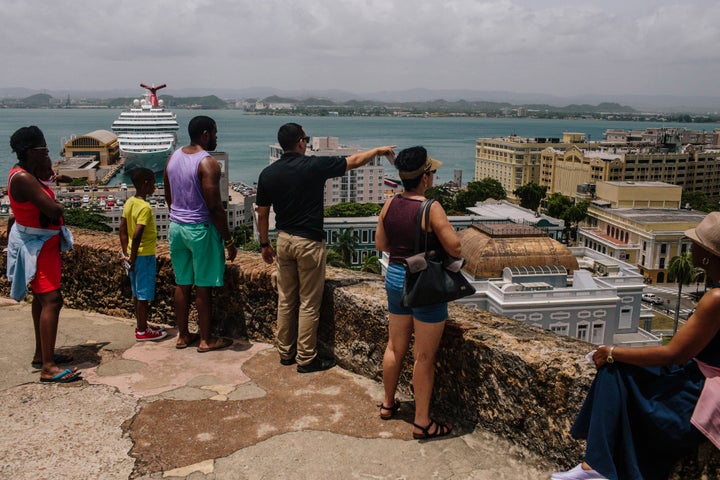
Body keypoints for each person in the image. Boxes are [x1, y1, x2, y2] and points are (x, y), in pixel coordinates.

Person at [552, 212, 720, 480]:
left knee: (612, 367)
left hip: (696, 391)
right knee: (618, 370)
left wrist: (612, 352)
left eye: (696, 243)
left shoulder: (716, 299)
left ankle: (594, 467)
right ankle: (594, 466)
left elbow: (673, 353)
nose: (691, 248)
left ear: (709, 255)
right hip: (697, 379)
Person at [257, 122, 396, 373]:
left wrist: (264, 243)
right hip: (308, 242)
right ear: (300, 142)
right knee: (309, 303)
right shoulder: (313, 166)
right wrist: (377, 151)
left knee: (286, 299)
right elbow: (352, 161)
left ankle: (285, 352)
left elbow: (263, 214)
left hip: (284, 240)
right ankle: (306, 359)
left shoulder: (268, 174)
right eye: (306, 139)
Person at [375, 146, 460, 439]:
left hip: (396, 276)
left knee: (394, 347)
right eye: (432, 172)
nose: (434, 176)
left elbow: (381, 245)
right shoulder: (430, 207)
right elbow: (455, 247)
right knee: (423, 356)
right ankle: (422, 422)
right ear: (425, 178)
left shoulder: (390, 204)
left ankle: (388, 404)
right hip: (423, 283)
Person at [6, 126, 80, 383]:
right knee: (52, 301)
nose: (48, 154)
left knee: (41, 299)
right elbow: (52, 208)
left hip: (43, 246)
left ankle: (42, 354)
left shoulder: (27, 175)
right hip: (36, 247)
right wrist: (58, 204)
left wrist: (48, 173)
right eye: (44, 150)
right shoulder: (24, 179)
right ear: (30, 152)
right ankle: (48, 367)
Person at [164, 115, 237, 352]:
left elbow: (168, 196)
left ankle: (183, 335)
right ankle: (206, 340)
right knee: (203, 285)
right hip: (200, 229)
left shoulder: (172, 158)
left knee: (182, 282)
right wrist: (229, 240)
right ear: (205, 134)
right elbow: (215, 207)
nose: (216, 137)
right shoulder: (207, 163)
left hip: (176, 227)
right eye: (215, 133)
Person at [119, 167, 167, 342]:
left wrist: (127, 253)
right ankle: (142, 330)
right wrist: (132, 256)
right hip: (144, 256)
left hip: (133, 255)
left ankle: (142, 324)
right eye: (154, 183)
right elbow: (138, 233)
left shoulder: (130, 202)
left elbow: (123, 230)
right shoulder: (145, 208)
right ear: (146, 184)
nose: (155, 187)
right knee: (144, 295)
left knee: (136, 293)